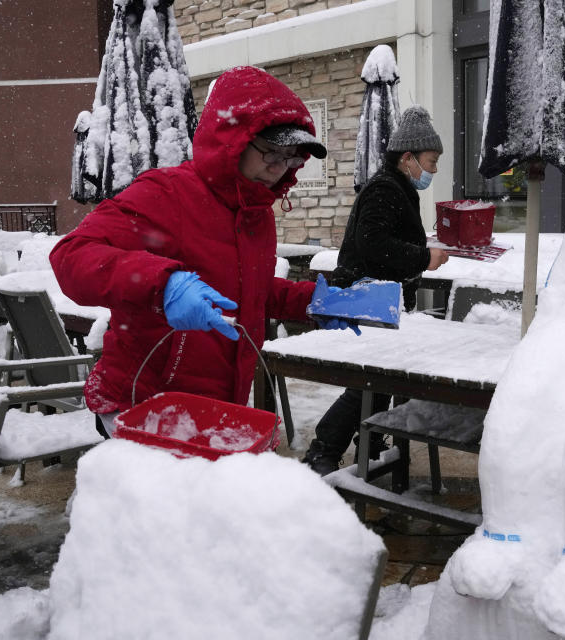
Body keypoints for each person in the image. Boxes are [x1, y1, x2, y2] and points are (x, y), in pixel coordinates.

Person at [50, 65, 353, 437]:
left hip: (215, 405)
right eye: (271, 152)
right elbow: (70, 256)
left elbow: (246, 291)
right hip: (143, 403)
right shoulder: (167, 194)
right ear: (233, 140)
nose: (278, 169)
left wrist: (314, 301)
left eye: (291, 158)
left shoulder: (256, 213)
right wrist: (164, 286)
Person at [302, 105, 450, 475]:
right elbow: (372, 243)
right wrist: (421, 256)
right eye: (430, 162)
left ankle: (368, 443)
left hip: (381, 302)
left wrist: (422, 248)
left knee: (378, 382)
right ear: (408, 158)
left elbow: (386, 238)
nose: (432, 171)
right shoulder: (385, 189)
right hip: (368, 302)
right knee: (369, 383)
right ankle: (324, 449)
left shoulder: (396, 188)